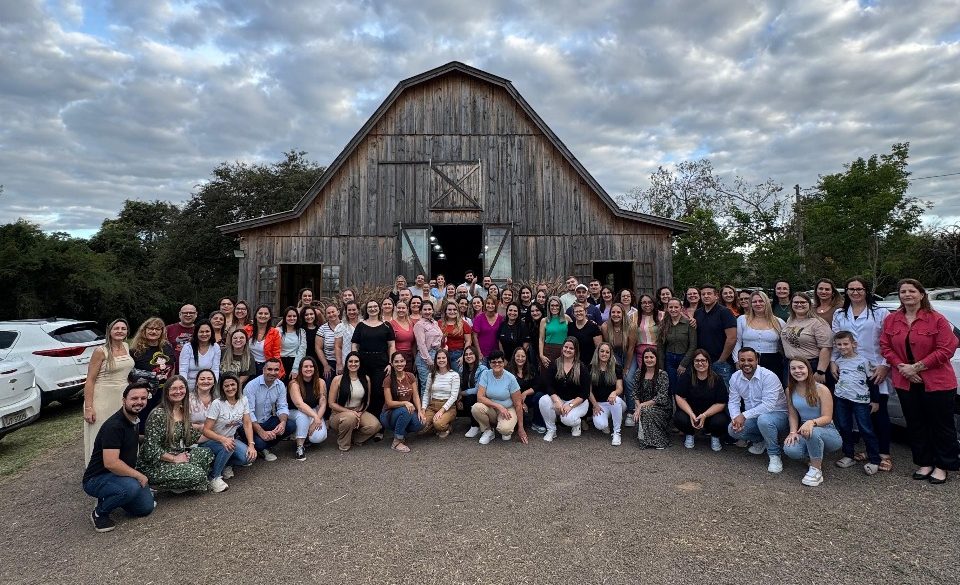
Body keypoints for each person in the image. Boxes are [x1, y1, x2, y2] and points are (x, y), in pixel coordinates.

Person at [879, 278, 959, 484]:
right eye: (903, 291)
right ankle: (924, 462)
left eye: (912, 291)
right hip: (905, 380)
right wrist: (902, 367)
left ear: (921, 294)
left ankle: (942, 465)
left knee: (941, 425)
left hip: (937, 381)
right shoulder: (892, 320)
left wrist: (916, 367)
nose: (907, 295)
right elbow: (885, 346)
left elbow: (946, 349)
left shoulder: (937, 319)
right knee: (916, 423)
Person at [831, 276, 893, 471]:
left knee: (878, 412)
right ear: (846, 292)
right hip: (848, 367)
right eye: (851, 289)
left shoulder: (880, 312)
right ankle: (867, 451)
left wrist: (885, 365)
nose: (855, 292)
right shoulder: (840, 313)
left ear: (866, 291)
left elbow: (889, 341)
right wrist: (833, 362)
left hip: (875, 367)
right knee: (858, 416)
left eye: (859, 289)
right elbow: (835, 339)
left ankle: (883, 454)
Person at [82, 382, 154, 532]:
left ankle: (116, 495)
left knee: (145, 508)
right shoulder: (114, 426)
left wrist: (152, 439)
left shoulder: (134, 419)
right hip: (97, 478)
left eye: (143, 398)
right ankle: (99, 513)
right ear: (123, 400)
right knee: (131, 487)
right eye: (134, 398)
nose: (139, 402)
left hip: (119, 476)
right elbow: (111, 463)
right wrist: (139, 475)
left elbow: (131, 439)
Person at [137, 375, 215, 493]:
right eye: (174, 388)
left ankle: (181, 481)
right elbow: (151, 449)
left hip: (176, 454)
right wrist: (175, 459)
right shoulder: (158, 414)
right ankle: (156, 485)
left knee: (206, 453)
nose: (178, 391)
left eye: (181, 388)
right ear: (167, 392)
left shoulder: (183, 411)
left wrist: (220, 434)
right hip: (155, 464)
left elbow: (193, 438)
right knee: (198, 474)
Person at [727, 348, 790, 473]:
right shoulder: (735, 377)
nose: (746, 363)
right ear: (738, 361)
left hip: (778, 415)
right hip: (754, 416)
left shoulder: (769, 376)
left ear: (757, 360)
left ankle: (774, 455)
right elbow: (733, 401)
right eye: (742, 360)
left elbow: (768, 405)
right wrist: (735, 419)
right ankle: (760, 441)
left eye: (750, 360)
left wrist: (743, 415)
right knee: (732, 430)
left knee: (764, 419)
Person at [782, 359, 842, 487]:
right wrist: (793, 432)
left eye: (801, 367)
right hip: (804, 429)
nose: (797, 371)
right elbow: (792, 414)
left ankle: (816, 470)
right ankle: (814, 455)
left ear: (808, 369)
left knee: (812, 432)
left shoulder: (822, 389)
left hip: (827, 430)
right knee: (790, 449)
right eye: (793, 368)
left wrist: (812, 422)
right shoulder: (789, 390)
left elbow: (827, 417)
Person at [83, 318, 134, 465]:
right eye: (116, 328)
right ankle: (98, 468)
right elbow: (90, 380)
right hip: (103, 399)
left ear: (127, 332)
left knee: (121, 431)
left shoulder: (126, 346)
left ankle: (121, 465)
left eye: (123, 328)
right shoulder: (101, 351)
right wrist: (89, 407)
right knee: (102, 433)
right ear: (109, 331)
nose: (120, 331)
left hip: (122, 397)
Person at [830, 331, 882, 474]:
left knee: (865, 428)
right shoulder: (838, 362)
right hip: (842, 399)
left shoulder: (863, 361)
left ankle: (874, 460)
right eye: (839, 344)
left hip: (860, 400)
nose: (842, 347)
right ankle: (848, 455)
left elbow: (872, 381)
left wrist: (875, 400)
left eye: (845, 344)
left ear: (854, 344)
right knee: (844, 427)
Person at [202, 374, 257, 493]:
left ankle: (225, 464)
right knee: (229, 446)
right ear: (222, 388)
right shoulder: (217, 403)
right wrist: (222, 439)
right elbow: (206, 430)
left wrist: (251, 444)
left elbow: (247, 423)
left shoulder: (243, 400)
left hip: (230, 439)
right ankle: (214, 477)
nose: (230, 388)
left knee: (249, 457)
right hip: (210, 441)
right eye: (226, 386)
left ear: (238, 385)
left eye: (233, 384)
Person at [673, 349, 729, 451]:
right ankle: (690, 434)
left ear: (708, 362)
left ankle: (715, 436)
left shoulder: (717, 379)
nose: (700, 363)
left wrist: (704, 415)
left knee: (721, 421)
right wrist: (691, 414)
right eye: (697, 360)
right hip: (692, 414)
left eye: (703, 360)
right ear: (693, 362)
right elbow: (679, 397)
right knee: (679, 418)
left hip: (710, 415)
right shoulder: (686, 376)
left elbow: (721, 403)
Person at [242, 358, 296, 461]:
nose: (273, 372)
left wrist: (282, 423)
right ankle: (259, 445)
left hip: (267, 420)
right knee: (260, 443)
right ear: (263, 370)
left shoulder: (280, 385)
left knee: (290, 425)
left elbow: (282, 406)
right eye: (269, 369)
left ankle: (265, 444)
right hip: (250, 424)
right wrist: (261, 432)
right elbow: (249, 413)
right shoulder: (251, 386)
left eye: (276, 370)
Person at [127, 317, 174, 433]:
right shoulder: (135, 350)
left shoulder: (167, 347)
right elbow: (129, 374)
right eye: (151, 328)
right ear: (144, 330)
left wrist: (171, 385)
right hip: (144, 394)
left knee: (163, 422)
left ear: (162, 331)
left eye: (157, 329)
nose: (154, 331)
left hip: (163, 392)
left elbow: (172, 366)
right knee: (143, 424)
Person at [327, 352, 381, 451]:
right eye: (350, 361)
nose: (353, 364)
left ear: (360, 363)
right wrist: (350, 412)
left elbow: (367, 401)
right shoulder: (338, 379)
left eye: (356, 361)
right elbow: (331, 403)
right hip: (338, 413)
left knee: (375, 425)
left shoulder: (366, 379)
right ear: (346, 363)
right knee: (350, 418)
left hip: (358, 411)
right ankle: (344, 444)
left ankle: (354, 438)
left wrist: (360, 412)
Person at [539, 338, 591, 441]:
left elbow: (585, 392)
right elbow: (548, 385)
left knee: (566, 419)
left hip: (578, 402)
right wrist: (556, 400)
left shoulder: (582, 367)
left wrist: (571, 405)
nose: (567, 350)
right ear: (562, 348)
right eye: (565, 347)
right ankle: (551, 429)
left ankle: (577, 424)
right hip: (560, 399)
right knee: (543, 400)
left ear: (576, 350)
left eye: (571, 348)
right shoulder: (555, 364)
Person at [471, 350, 527, 444]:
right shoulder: (486, 374)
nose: (497, 364)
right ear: (489, 363)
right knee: (476, 408)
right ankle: (488, 430)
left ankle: (503, 426)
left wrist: (521, 428)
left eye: (500, 362)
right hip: (492, 408)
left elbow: (518, 404)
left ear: (504, 363)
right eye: (494, 362)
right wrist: (499, 406)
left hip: (508, 409)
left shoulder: (511, 378)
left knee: (505, 431)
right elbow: (480, 397)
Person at [781, 292, 833, 386]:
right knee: (791, 393)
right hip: (790, 365)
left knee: (811, 393)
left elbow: (826, 348)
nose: (799, 304)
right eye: (796, 302)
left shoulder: (818, 323)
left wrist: (820, 371)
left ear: (809, 304)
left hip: (810, 365)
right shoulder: (790, 320)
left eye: (803, 302)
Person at [734, 291, 786, 384]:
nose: (758, 304)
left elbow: (785, 343)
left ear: (767, 302)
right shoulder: (742, 319)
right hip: (748, 361)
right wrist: (737, 361)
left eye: (761, 301)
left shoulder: (779, 322)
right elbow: (737, 341)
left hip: (773, 362)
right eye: (754, 302)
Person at [380, 352, 425, 452]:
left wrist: (420, 411)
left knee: (421, 423)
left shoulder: (410, 376)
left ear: (405, 362)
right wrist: (405, 403)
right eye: (396, 362)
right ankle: (397, 441)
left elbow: (416, 396)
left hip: (405, 412)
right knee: (406, 410)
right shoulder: (388, 380)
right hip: (388, 415)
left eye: (401, 361)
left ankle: (401, 432)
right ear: (392, 363)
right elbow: (389, 403)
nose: (399, 364)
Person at [694, 284, 737, 385]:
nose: (706, 296)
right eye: (703, 294)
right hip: (703, 362)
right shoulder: (698, 313)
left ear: (716, 296)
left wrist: (721, 360)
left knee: (725, 391)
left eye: (709, 293)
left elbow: (732, 338)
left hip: (721, 362)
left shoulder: (725, 312)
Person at [287, 357, 328, 460]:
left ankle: (305, 436)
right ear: (301, 368)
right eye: (305, 366)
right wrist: (315, 417)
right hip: (294, 412)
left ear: (315, 368)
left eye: (311, 366)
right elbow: (299, 404)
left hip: (313, 410)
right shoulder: (294, 383)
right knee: (302, 416)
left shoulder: (320, 382)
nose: (308, 369)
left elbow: (323, 404)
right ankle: (300, 447)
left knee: (318, 438)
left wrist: (315, 421)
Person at [632, 347, 672, 449]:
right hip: (643, 406)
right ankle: (646, 439)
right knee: (643, 412)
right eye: (646, 357)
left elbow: (661, 397)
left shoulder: (663, 375)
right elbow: (635, 393)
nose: (649, 360)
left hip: (661, 407)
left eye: (651, 357)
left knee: (646, 411)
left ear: (656, 359)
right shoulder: (639, 373)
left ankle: (659, 441)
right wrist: (638, 407)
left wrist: (641, 406)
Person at [657, 298, 697, 392]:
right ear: (667, 309)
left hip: (684, 358)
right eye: (670, 307)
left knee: (683, 387)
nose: (673, 309)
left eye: (676, 307)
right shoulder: (663, 324)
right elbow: (660, 347)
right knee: (671, 387)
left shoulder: (689, 323)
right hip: (669, 359)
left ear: (681, 308)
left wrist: (684, 364)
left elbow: (693, 345)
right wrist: (661, 367)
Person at [589, 342, 625, 446]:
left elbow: (620, 388)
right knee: (601, 425)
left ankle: (617, 432)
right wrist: (595, 405)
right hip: (600, 404)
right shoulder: (590, 368)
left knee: (616, 400)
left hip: (614, 402)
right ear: (597, 352)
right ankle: (608, 420)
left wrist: (614, 392)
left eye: (607, 352)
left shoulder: (616, 368)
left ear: (610, 354)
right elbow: (588, 391)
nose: (604, 354)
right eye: (602, 351)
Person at [420, 349, 461, 438]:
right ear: (435, 360)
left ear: (447, 359)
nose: (441, 360)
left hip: (448, 407)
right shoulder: (431, 375)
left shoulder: (454, 375)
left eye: (443, 358)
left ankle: (448, 427)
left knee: (439, 424)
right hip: (432, 406)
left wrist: (441, 410)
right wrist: (423, 409)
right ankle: (433, 424)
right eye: (439, 358)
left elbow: (454, 396)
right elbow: (426, 393)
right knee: (421, 424)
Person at [507, 346, 543, 433]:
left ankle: (537, 422)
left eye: (523, 356)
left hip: (528, 397)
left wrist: (525, 393)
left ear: (526, 357)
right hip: (513, 399)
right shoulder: (507, 370)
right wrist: (520, 402)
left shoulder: (531, 368)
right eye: (518, 356)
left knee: (540, 396)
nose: (520, 358)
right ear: (514, 357)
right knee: (520, 423)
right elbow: (506, 390)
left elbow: (538, 385)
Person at [178, 320, 221, 390]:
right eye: (201, 332)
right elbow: (183, 370)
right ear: (196, 333)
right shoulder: (187, 347)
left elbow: (215, 369)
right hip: (189, 385)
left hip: (207, 385)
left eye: (207, 331)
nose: (204, 334)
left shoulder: (215, 347)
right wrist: (184, 387)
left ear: (211, 332)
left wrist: (213, 387)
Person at [413, 300, 443, 393]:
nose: (427, 312)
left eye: (429, 309)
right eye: (425, 309)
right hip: (425, 358)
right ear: (420, 311)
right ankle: (424, 403)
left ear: (433, 311)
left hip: (436, 354)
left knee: (435, 386)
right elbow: (421, 344)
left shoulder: (434, 323)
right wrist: (429, 360)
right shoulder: (419, 325)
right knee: (426, 387)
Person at [460, 346, 489, 437]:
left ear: (476, 355)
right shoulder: (462, 369)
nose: (468, 356)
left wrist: (462, 393)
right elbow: (460, 385)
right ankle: (475, 423)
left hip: (481, 396)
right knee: (465, 399)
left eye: (471, 354)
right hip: (467, 395)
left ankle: (475, 426)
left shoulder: (483, 369)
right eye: (466, 354)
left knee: (470, 397)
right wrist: (459, 398)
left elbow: (478, 389)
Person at [250, 305, 283, 378]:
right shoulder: (248, 329)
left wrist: (277, 370)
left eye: (266, 314)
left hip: (266, 366)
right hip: (249, 366)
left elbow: (276, 354)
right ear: (255, 316)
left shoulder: (275, 333)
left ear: (270, 317)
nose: (263, 316)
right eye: (260, 313)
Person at [440, 300, 473, 374]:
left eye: (455, 309)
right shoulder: (440, 323)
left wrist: (463, 356)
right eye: (449, 309)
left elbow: (468, 341)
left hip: (458, 354)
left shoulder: (464, 324)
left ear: (458, 311)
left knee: (457, 376)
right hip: (443, 354)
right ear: (445, 311)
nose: (452, 312)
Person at [187, 368, 217, 445]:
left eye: (209, 379)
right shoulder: (187, 399)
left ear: (214, 382)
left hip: (214, 437)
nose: (206, 381)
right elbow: (182, 423)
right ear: (197, 382)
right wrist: (200, 427)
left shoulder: (218, 401)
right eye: (202, 379)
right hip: (192, 439)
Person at [277, 306, 306, 383]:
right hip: (280, 362)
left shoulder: (301, 332)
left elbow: (302, 351)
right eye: (289, 316)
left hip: (295, 361)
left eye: (294, 316)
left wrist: (295, 369)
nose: (292, 318)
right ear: (285, 318)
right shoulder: (278, 331)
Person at [539, 296, 570, 368]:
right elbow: (541, 339)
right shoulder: (544, 320)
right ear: (548, 307)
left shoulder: (566, 318)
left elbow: (577, 326)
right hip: (549, 351)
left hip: (564, 351)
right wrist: (541, 355)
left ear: (560, 306)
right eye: (552, 305)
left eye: (557, 305)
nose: (554, 307)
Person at [472, 295, 504, 363]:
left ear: (496, 305)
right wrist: (479, 352)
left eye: (492, 304)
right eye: (488, 303)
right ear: (485, 304)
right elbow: (474, 336)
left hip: (496, 354)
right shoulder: (479, 318)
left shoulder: (500, 319)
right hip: (482, 354)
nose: (490, 305)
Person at [334, 300, 361, 374]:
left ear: (358, 310)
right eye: (349, 310)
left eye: (354, 310)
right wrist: (339, 364)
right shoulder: (341, 326)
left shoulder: (364, 324)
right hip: (346, 360)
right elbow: (338, 346)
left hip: (363, 360)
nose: (351, 312)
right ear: (346, 311)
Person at [390, 300, 416, 366]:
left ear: (407, 309)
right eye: (399, 308)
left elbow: (414, 344)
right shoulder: (391, 324)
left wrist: (415, 359)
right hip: (397, 358)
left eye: (403, 308)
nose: (401, 310)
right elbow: (390, 345)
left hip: (409, 356)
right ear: (395, 309)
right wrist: (392, 361)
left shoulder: (411, 323)